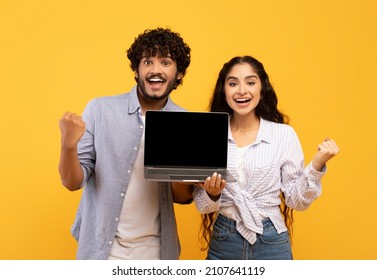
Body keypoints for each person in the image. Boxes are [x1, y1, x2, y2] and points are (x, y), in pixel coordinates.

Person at [58, 27, 193, 260]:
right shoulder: (100, 110)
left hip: (156, 253)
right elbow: (72, 183)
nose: (156, 70)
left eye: (166, 62)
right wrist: (68, 146)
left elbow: (183, 197)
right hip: (102, 252)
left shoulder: (184, 121)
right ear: (136, 69)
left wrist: (185, 176)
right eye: (148, 61)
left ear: (178, 73)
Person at [193, 55, 340, 260]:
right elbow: (203, 205)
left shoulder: (283, 135)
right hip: (224, 239)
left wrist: (317, 165)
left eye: (250, 82)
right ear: (224, 92)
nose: (242, 90)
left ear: (262, 90)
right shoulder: (207, 135)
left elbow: (296, 202)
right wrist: (213, 194)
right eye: (233, 83)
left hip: (271, 241)